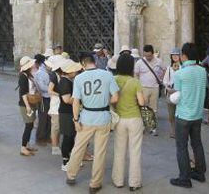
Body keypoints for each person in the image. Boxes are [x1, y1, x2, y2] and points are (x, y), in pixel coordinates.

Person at [66, 52, 119, 194]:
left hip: (86, 118)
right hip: (103, 117)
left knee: (78, 147)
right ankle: (95, 184)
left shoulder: (79, 78)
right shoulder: (108, 75)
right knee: (100, 152)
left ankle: (71, 175)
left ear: (83, 63)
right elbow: (115, 98)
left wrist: (75, 119)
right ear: (94, 61)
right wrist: (103, 102)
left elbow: (75, 101)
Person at [170, 43, 207, 188]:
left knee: (181, 147)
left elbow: (177, 96)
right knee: (197, 143)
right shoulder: (202, 71)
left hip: (184, 115)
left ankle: (184, 178)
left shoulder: (180, 73)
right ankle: (200, 172)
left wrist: (170, 92)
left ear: (184, 55)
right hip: (197, 114)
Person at [112, 53, 145, 191]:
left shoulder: (114, 80)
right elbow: (142, 102)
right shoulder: (135, 82)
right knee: (135, 151)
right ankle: (134, 182)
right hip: (135, 119)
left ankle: (118, 180)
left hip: (119, 119)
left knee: (119, 151)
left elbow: (112, 98)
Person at [134, 44, 166, 136]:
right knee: (143, 107)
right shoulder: (140, 62)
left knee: (153, 108)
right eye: (146, 55)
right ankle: (143, 127)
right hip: (143, 87)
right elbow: (136, 74)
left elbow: (164, 70)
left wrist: (161, 79)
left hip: (155, 87)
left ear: (152, 53)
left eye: (149, 56)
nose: (148, 57)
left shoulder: (159, 61)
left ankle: (153, 127)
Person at [58, 59, 83, 171]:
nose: (76, 72)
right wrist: (78, 98)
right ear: (69, 72)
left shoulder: (68, 80)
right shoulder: (64, 82)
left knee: (72, 136)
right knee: (68, 137)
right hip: (66, 113)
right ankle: (65, 161)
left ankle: (72, 159)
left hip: (69, 112)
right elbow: (67, 100)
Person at [18, 56, 39, 156]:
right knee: (28, 125)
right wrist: (27, 106)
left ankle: (26, 145)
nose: (33, 65)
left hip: (31, 103)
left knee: (30, 125)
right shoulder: (23, 76)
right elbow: (23, 93)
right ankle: (23, 147)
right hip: (26, 104)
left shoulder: (29, 75)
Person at [47, 55, 66, 155]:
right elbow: (50, 90)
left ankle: (56, 143)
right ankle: (54, 146)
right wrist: (61, 95)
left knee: (58, 126)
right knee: (56, 126)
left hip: (61, 103)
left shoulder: (61, 74)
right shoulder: (54, 75)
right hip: (56, 104)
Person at [162, 47, 181, 138]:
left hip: (179, 92)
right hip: (170, 92)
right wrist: (167, 86)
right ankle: (173, 130)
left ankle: (179, 131)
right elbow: (165, 80)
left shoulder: (183, 67)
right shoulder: (169, 68)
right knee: (171, 114)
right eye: (173, 55)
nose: (175, 57)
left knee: (180, 113)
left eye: (177, 55)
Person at [34, 54, 52, 145]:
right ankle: (40, 138)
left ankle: (47, 136)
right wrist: (52, 88)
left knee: (48, 118)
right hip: (44, 98)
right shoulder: (40, 73)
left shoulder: (44, 71)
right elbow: (42, 87)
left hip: (49, 97)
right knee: (43, 118)